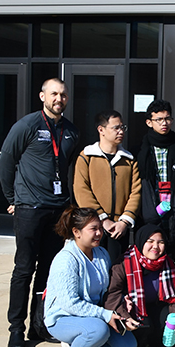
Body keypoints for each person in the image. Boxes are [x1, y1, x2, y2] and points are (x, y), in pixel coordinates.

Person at [0, 77, 81, 347]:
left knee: (48, 271)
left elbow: (70, 168)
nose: (59, 99)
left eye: (63, 95)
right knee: (24, 269)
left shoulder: (70, 131)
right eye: (54, 94)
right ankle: (16, 329)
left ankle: (40, 325)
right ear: (42, 96)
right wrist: (13, 199)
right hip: (30, 208)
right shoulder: (27, 125)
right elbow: (6, 162)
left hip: (58, 211)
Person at [44, 207, 138, 347]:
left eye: (100, 228)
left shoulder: (101, 253)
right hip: (63, 317)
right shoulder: (66, 260)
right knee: (98, 330)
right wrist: (105, 314)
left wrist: (123, 303)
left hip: (94, 317)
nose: (99, 233)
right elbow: (69, 303)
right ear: (76, 232)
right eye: (93, 229)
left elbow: (110, 289)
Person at [105, 224, 175, 347]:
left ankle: (153, 344)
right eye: (150, 241)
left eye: (160, 242)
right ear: (140, 242)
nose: (155, 246)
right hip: (131, 309)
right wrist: (125, 317)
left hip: (157, 306)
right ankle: (137, 343)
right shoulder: (124, 264)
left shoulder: (168, 263)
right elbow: (112, 295)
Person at [73, 110, 141, 264]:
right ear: (101, 130)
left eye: (122, 127)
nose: (121, 131)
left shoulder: (129, 160)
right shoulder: (86, 157)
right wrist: (102, 219)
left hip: (119, 228)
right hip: (93, 225)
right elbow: (81, 189)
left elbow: (136, 192)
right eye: (116, 128)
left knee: (117, 271)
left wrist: (124, 221)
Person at [137, 99, 175, 261]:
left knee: (170, 257)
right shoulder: (141, 151)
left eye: (168, 119)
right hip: (149, 211)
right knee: (148, 257)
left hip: (173, 211)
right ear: (149, 122)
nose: (164, 123)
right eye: (159, 119)